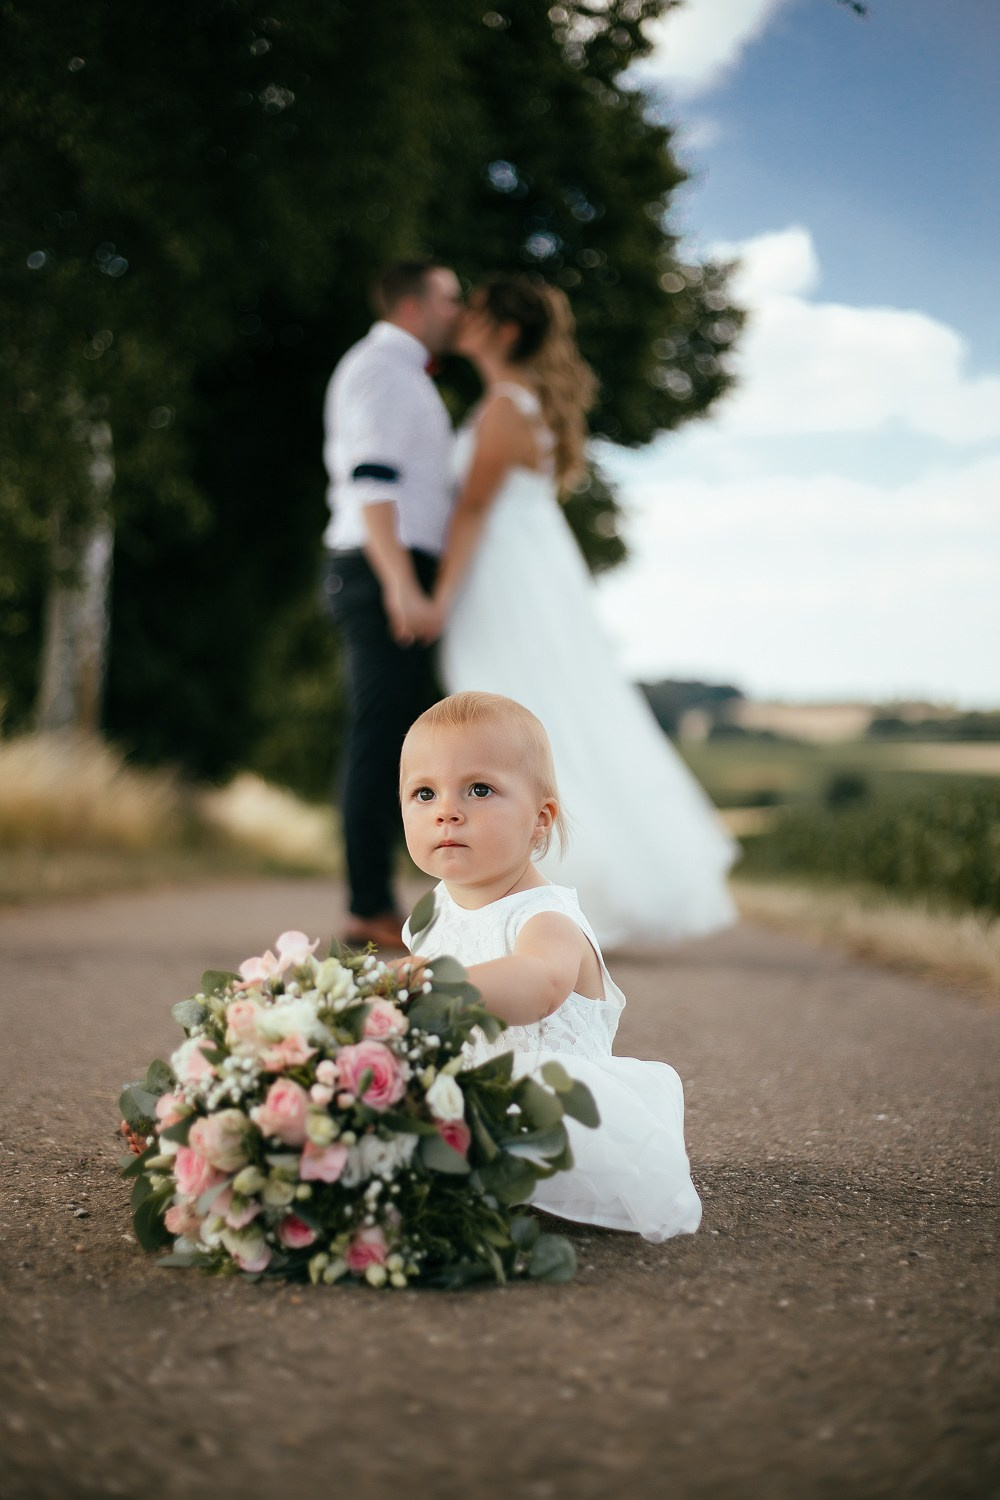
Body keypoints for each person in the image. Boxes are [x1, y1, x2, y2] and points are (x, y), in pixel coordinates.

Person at [430, 274, 737, 950]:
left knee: (507, 718)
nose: (464, 319)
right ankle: (527, 888)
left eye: (476, 311)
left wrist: (437, 599)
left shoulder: (507, 408)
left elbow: (472, 511)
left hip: (502, 585)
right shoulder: (517, 405)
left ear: (505, 331)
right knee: (534, 717)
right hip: (529, 577)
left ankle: (545, 892)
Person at [397, 690, 702, 1242]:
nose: (447, 810)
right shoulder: (430, 915)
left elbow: (540, 985)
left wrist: (427, 984)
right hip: (465, 1095)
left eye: (479, 789)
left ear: (540, 820)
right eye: (424, 792)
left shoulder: (545, 917)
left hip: (547, 1107)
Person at [321, 260, 463, 950]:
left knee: (397, 741)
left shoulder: (403, 373)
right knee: (379, 741)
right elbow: (370, 480)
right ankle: (369, 905)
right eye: (450, 297)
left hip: (394, 566)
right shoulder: (380, 367)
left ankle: (383, 900)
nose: (459, 310)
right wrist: (401, 583)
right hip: (382, 567)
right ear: (414, 305)